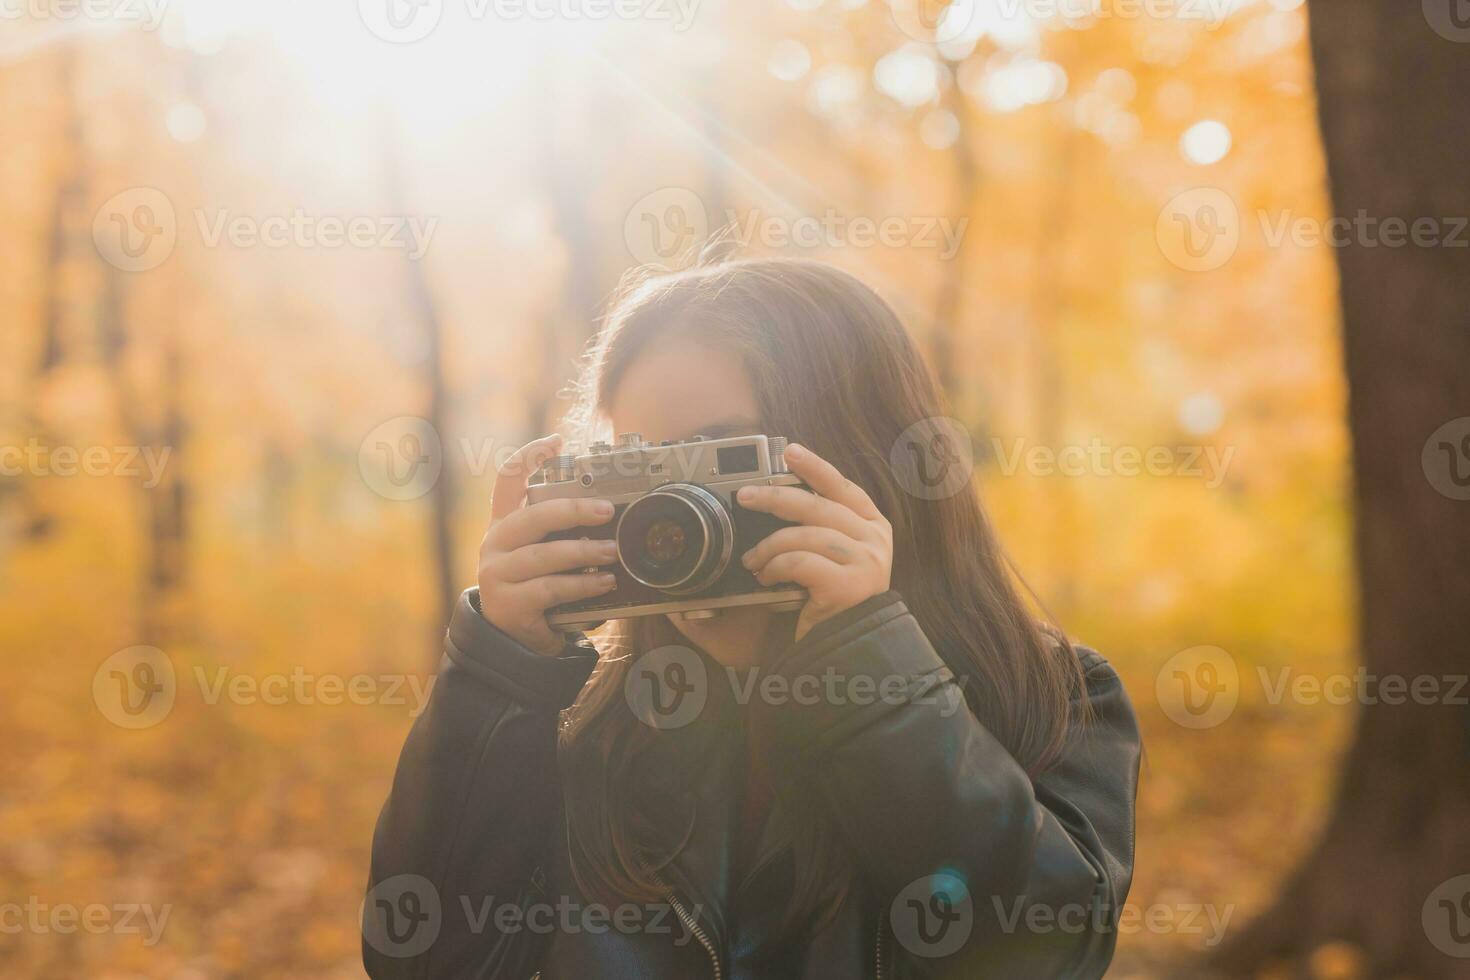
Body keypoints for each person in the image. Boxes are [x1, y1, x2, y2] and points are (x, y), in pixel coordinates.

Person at [364, 258, 1140, 978]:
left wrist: (868, 669)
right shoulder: (592, 724)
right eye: (643, 471)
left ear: (860, 462)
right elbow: (424, 959)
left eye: (720, 463)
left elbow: (1041, 955)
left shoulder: (1050, 696)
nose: (674, 526)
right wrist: (500, 674)